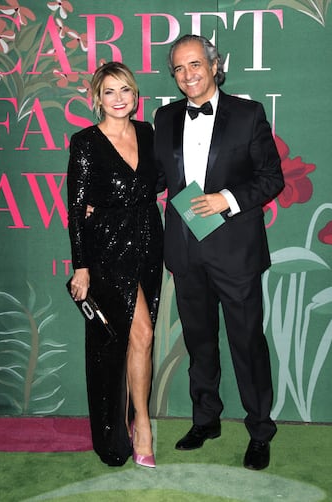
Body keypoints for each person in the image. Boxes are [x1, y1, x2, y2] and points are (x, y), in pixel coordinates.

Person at [154, 34, 285, 470]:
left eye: (195, 65)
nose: (188, 74)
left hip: (236, 251)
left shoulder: (248, 115)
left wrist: (225, 199)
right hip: (187, 250)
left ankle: (260, 430)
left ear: (214, 66)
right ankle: (205, 419)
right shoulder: (165, 117)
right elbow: (158, 177)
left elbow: (271, 178)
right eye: (179, 68)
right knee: (199, 342)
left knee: (247, 342)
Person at [67, 61, 163, 468]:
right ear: (97, 99)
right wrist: (81, 266)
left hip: (147, 240)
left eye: (125, 90)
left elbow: (157, 180)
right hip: (106, 247)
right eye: (110, 91)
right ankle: (140, 423)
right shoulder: (86, 142)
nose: (119, 98)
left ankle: (132, 418)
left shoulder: (147, 132)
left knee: (142, 336)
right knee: (136, 334)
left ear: (135, 95)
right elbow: (74, 208)